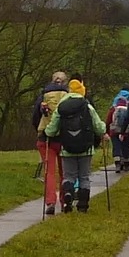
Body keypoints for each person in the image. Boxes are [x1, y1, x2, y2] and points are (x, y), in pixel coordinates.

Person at [43, 79, 107, 213]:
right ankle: (83, 205)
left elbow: (51, 130)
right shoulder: (87, 106)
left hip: (67, 148)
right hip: (86, 148)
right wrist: (104, 129)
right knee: (84, 177)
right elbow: (99, 128)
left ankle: (68, 195)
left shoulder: (62, 107)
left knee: (69, 176)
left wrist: (47, 132)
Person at [32, 71, 69, 215]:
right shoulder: (69, 96)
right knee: (65, 171)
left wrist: (41, 131)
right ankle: (65, 200)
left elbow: (35, 117)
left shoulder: (44, 96)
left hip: (46, 138)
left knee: (50, 172)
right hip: (65, 138)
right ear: (65, 82)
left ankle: (50, 202)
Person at [106, 86, 129, 172]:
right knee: (126, 146)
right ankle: (126, 164)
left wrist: (107, 131)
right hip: (125, 131)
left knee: (116, 146)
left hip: (114, 131)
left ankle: (118, 164)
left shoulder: (114, 107)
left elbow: (108, 121)